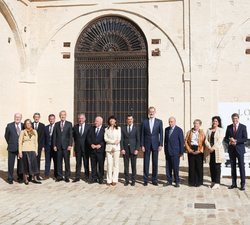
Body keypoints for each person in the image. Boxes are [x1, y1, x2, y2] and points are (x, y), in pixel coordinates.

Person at [225, 113, 248, 191]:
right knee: (233, 167)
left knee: (241, 167)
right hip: (232, 150)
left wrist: (236, 141)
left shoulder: (243, 127)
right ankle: (234, 183)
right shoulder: (229, 127)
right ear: (232, 119)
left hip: (240, 150)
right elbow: (225, 138)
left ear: (238, 118)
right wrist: (230, 141)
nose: (234, 120)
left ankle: (242, 184)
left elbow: (245, 138)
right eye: (233, 118)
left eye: (236, 118)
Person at [141, 106, 163, 186]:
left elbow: (161, 134)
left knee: (155, 162)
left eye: (153, 112)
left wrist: (161, 144)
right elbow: (142, 134)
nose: (151, 113)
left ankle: (154, 179)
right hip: (146, 145)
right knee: (146, 162)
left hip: (155, 145)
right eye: (150, 112)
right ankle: (145, 180)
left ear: (155, 112)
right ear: (148, 112)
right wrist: (142, 145)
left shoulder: (159, 122)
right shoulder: (144, 122)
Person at [204, 116, 225, 189]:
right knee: (211, 166)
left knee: (217, 167)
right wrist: (209, 147)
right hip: (210, 151)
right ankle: (212, 181)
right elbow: (206, 140)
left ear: (218, 122)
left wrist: (213, 147)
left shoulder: (220, 130)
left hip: (217, 151)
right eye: (213, 121)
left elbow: (220, 140)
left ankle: (217, 182)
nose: (214, 122)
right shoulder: (209, 130)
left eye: (216, 121)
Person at [18, 119, 41, 185]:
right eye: (27, 123)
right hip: (25, 150)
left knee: (34, 165)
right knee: (26, 165)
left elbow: (36, 142)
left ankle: (35, 178)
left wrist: (36, 150)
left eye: (29, 123)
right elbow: (20, 142)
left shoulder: (34, 131)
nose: (28, 124)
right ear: (25, 125)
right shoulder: (23, 131)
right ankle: (26, 179)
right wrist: (20, 152)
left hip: (32, 150)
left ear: (31, 124)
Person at [164, 117, 184, 188]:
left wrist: (181, 152)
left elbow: (181, 142)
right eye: (169, 122)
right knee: (168, 167)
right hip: (168, 152)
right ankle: (169, 180)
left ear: (175, 122)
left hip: (175, 152)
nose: (170, 123)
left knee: (175, 168)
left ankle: (177, 181)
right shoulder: (166, 130)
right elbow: (165, 141)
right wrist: (165, 151)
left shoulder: (179, 130)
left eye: (171, 122)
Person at [53, 110, 73, 182]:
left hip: (66, 146)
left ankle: (67, 177)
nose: (63, 116)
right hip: (58, 146)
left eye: (64, 115)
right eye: (61, 115)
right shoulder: (56, 124)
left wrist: (70, 145)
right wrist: (54, 145)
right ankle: (60, 176)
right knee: (59, 162)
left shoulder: (69, 124)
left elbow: (71, 135)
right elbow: (54, 135)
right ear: (59, 116)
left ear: (66, 116)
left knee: (67, 162)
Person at [184, 119, 205, 187]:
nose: (196, 125)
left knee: (199, 167)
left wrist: (200, 150)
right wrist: (189, 150)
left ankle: (199, 181)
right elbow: (186, 142)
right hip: (191, 149)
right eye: (195, 123)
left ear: (200, 125)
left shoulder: (202, 132)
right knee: (192, 166)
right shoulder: (189, 132)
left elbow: (204, 143)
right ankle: (192, 182)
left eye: (197, 124)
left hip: (199, 149)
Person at [121, 115, 140, 186]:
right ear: (126, 120)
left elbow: (138, 139)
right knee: (126, 165)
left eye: (131, 119)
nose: (130, 120)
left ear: (133, 120)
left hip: (133, 149)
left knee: (133, 165)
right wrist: (122, 148)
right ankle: (126, 180)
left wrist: (137, 149)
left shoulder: (136, 128)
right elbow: (121, 139)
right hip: (125, 149)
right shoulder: (123, 128)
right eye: (128, 119)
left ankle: (133, 180)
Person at [4, 113, 24, 184]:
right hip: (12, 148)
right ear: (14, 117)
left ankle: (20, 178)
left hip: (20, 149)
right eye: (16, 117)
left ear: (21, 118)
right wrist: (10, 143)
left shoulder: (23, 125)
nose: (17, 118)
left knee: (20, 164)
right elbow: (6, 136)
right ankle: (10, 178)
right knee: (11, 164)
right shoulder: (9, 126)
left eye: (19, 117)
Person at [72, 113, 91, 182]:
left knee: (86, 163)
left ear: (85, 119)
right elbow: (73, 137)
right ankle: (77, 177)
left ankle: (87, 177)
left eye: (82, 118)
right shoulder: (75, 127)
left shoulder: (89, 127)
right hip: (78, 148)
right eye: (79, 118)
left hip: (86, 148)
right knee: (78, 163)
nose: (80, 120)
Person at [87, 116, 106, 184]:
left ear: (101, 122)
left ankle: (100, 178)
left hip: (100, 150)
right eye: (95, 121)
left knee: (101, 165)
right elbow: (88, 137)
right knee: (93, 165)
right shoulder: (91, 128)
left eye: (97, 121)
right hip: (92, 150)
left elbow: (105, 139)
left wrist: (100, 145)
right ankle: (94, 178)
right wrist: (91, 144)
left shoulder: (104, 129)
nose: (95, 122)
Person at [104, 116, 121, 186]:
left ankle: (114, 179)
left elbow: (118, 139)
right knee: (109, 164)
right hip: (108, 148)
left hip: (116, 148)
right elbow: (105, 139)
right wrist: (113, 141)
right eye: (111, 119)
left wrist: (114, 146)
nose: (112, 121)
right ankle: (109, 179)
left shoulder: (118, 129)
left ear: (115, 121)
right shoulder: (106, 129)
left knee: (115, 164)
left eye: (113, 119)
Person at [43, 114, 57, 180]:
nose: (51, 120)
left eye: (52, 119)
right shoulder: (46, 128)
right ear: (49, 120)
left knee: (55, 162)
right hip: (47, 147)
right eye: (50, 119)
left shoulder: (57, 127)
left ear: (54, 119)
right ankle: (46, 175)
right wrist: (43, 146)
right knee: (47, 162)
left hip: (55, 147)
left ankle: (56, 175)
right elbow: (44, 138)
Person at [32, 113, 45, 180]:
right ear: (33, 118)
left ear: (39, 118)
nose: (36, 118)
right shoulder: (30, 125)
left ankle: (37, 175)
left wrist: (43, 146)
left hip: (39, 146)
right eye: (35, 117)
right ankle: (30, 175)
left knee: (37, 161)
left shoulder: (42, 126)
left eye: (37, 117)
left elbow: (43, 137)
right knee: (31, 161)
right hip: (31, 146)